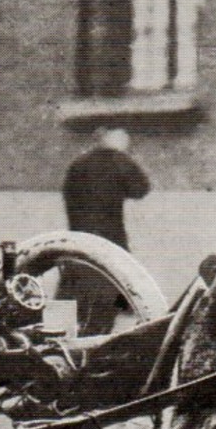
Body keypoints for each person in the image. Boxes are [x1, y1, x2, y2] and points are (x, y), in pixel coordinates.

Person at [61, 126, 151, 332]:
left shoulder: (78, 164)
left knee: (73, 295)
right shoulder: (119, 161)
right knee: (108, 294)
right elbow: (141, 189)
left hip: (78, 239)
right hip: (109, 240)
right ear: (116, 139)